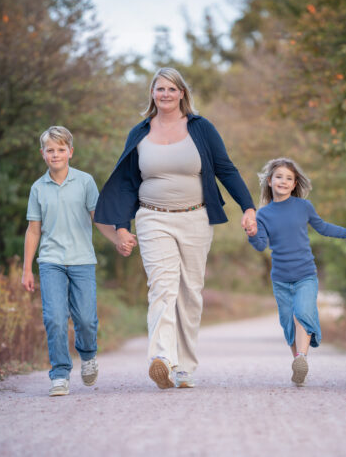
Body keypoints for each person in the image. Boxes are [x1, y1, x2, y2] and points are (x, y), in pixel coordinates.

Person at [94, 67, 257, 389]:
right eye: (160, 89)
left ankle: (185, 367)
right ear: (152, 94)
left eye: (171, 89)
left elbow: (225, 169)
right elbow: (127, 183)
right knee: (162, 287)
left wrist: (248, 207)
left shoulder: (201, 128)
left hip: (195, 217)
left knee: (190, 293)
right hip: (152, 217)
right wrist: (122, 226)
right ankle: (162, 358)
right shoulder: (140, 132)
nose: (165, 94)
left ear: (182, 93)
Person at [248, 157, 346, 386]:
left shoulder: (304, 207)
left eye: (289, 178)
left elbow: (323, 228)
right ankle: (299, 365)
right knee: (288, 322)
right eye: (279, 177)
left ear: (295, 184)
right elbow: (260, 245)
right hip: (280, 279)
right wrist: (251, 231)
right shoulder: (263, 214)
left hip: (305, 274)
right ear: (269, 181)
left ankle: (302, 357)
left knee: (301, 314)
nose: (283, 181)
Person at [21, 126, 100, 397]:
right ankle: (60, 374)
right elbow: (33, 230)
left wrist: (119, 237)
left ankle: (88, 356)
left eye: (61, 149)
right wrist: (27, 269)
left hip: (82, 260)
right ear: (42, 154)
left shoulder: (86, 182)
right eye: (50, 150)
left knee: (86, 320)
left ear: (70, 152)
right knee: (54, 318)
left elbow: (97, 218)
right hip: (50, 261)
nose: (56, 154)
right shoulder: (38, 188)